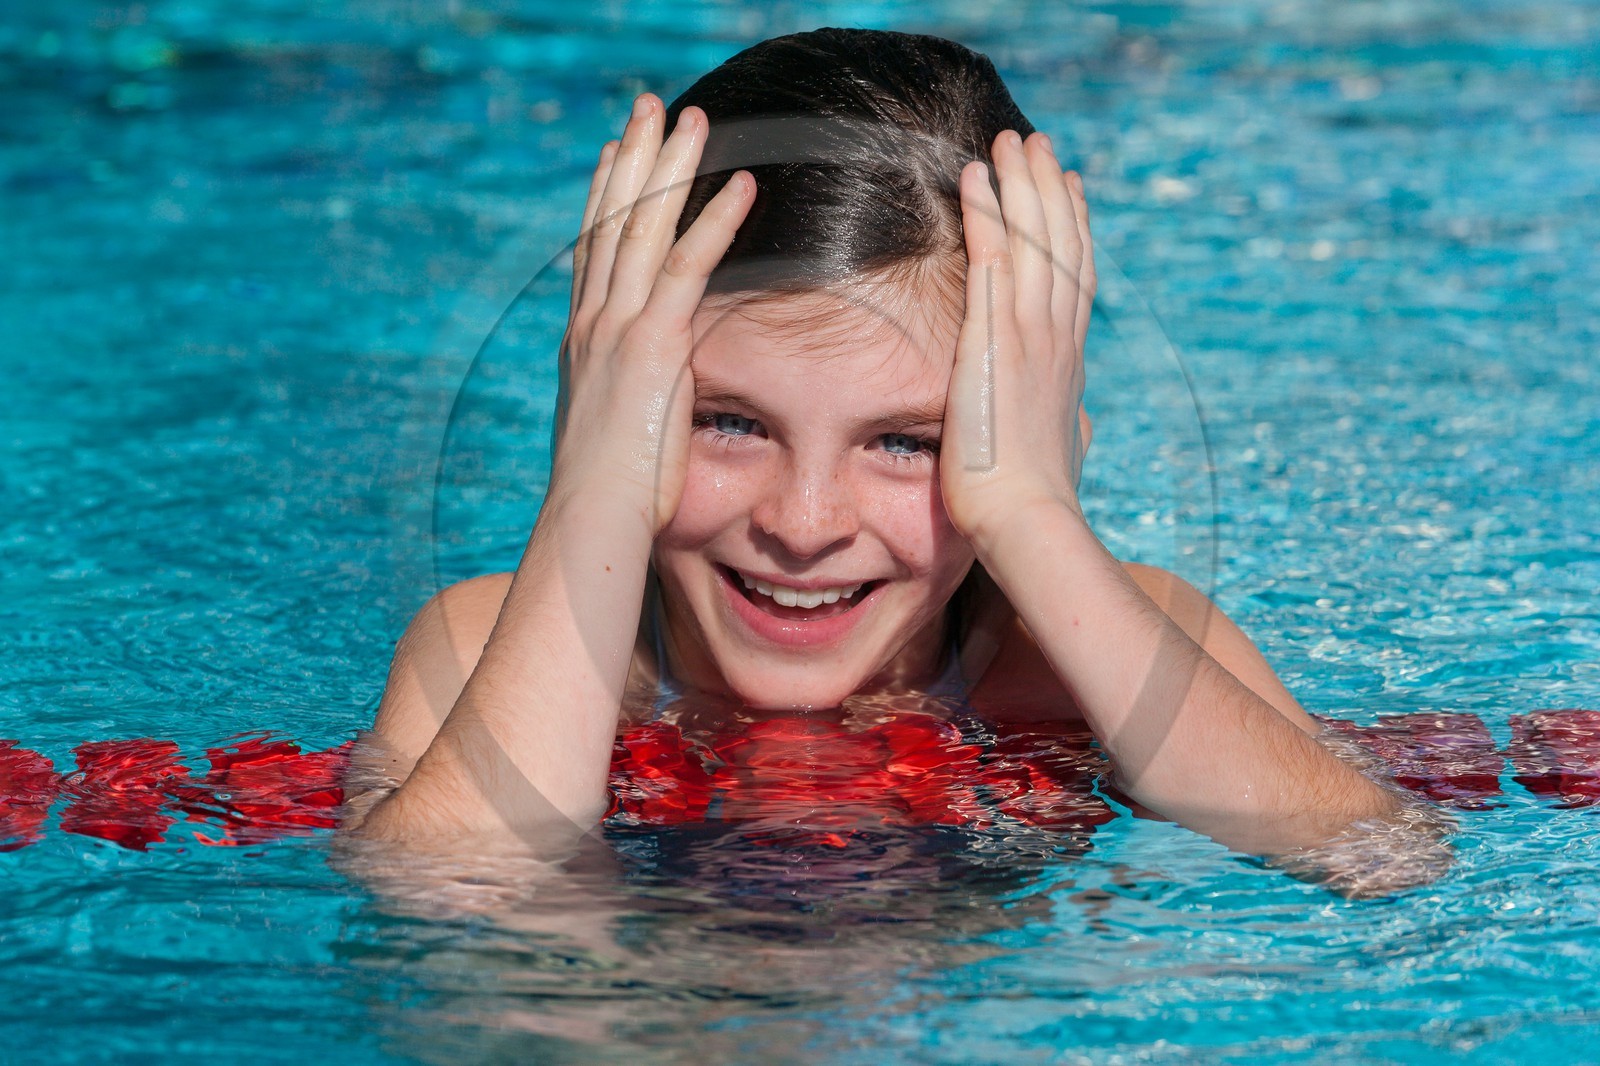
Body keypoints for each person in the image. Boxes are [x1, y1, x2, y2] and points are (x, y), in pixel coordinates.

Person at [342, 28, 1435, 884]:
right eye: (728, 421)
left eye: (910, 441)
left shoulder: (1091, 652)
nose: (805, 521)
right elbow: (443, 896)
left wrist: (1034, 516)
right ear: (603, 410)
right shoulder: (486, 641)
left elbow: (1380, 856)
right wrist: (594, 497)